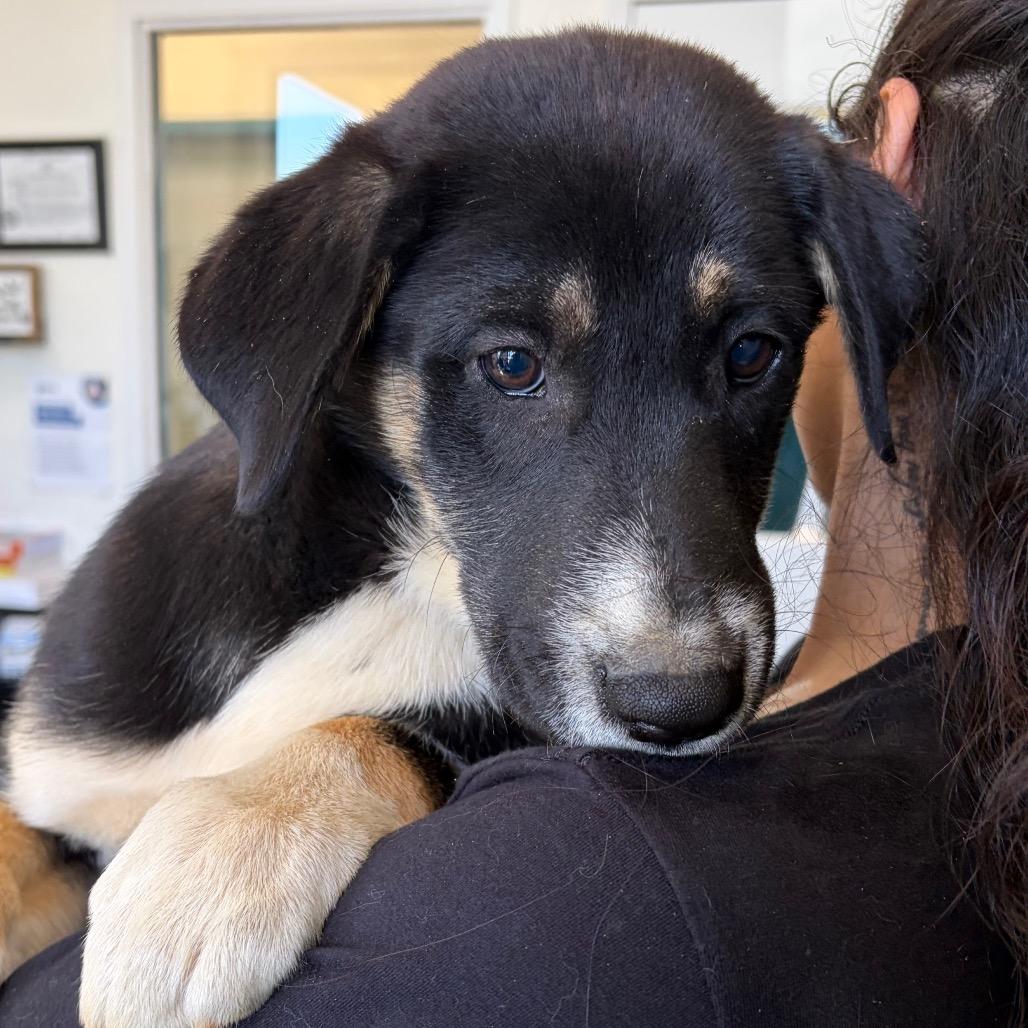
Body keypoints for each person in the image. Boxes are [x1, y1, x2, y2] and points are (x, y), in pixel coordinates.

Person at [1, 0, 1023, 1023]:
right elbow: (54, 825)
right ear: (344, 324)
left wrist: (361, 769)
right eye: (512, 364)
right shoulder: (121, 640)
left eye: (745, 354)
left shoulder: (590, 873)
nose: (666, 635)